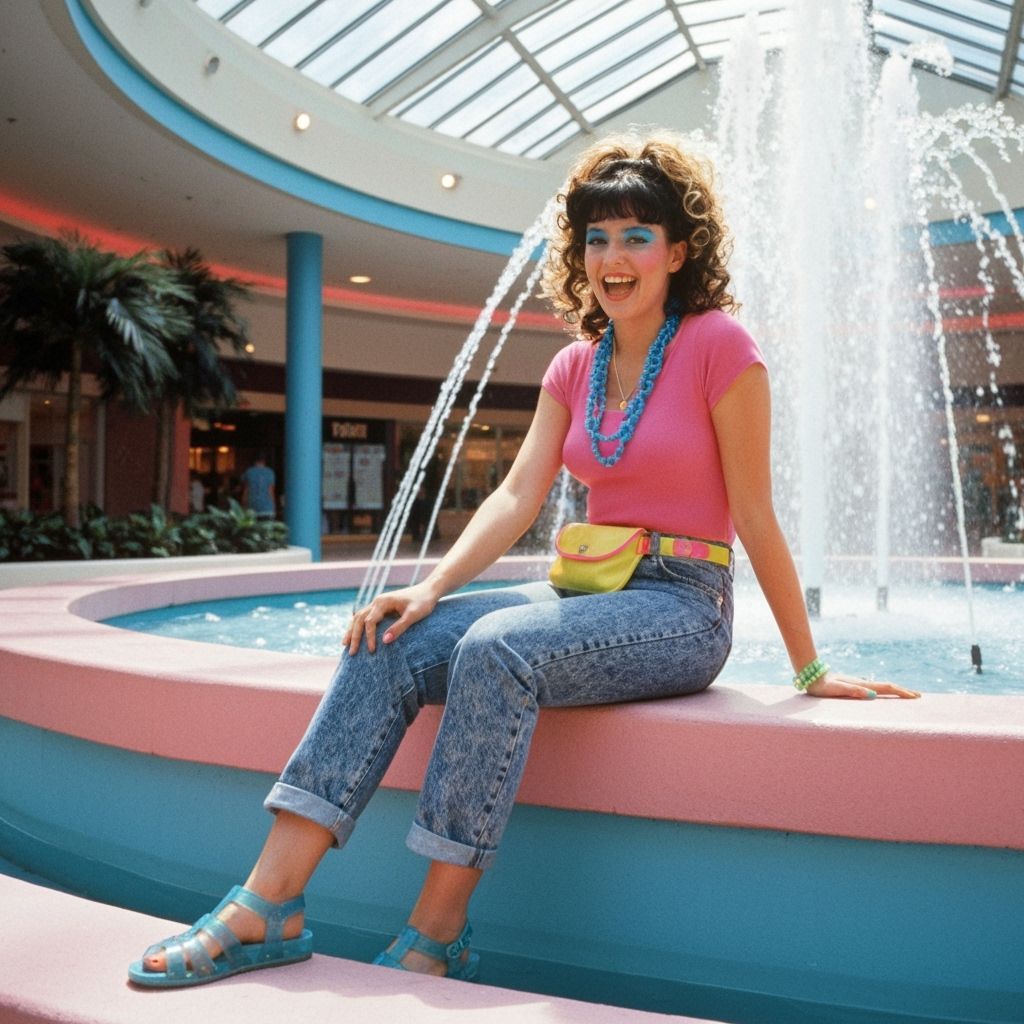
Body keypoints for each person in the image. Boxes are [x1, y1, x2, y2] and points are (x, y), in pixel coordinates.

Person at [129, 132, 920, 989]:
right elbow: (515, 497)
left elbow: (758, 514)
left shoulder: (721, 344)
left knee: (496, 648)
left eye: (635, 237)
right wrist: (426, 589)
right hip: (587, 588)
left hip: (685, 606)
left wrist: (810, 667)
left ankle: (436, 935)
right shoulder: (573, 365)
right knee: (388, 640)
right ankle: (266, 905)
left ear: (678, 251)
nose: (612, 258)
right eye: (596, 239)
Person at [241, 452, 275, 520]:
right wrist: (273, 506)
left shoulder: (248, 472)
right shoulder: (270, 472)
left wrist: (243, 505)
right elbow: (270, 491)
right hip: (267, 508)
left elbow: (246, 491)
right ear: (264, 461)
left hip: (252, 506)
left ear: (254, 461)